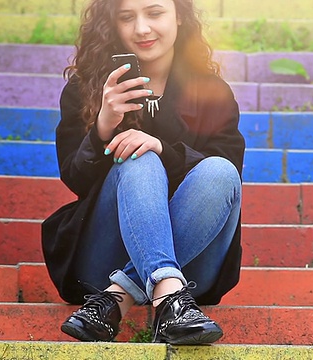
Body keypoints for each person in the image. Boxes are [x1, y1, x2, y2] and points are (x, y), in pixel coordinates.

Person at [41, 0, 245, 345]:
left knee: (220, 171)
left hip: (194, 265)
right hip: (102, 257)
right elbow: (75, 179)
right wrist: (103, 127)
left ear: (179, 16)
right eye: (126, 17)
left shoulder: (213, 93)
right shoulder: (86, 90)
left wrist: (163, 147)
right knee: (136, 156)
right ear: (112, 25)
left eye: (154, 13)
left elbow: (225, 184)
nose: (141, 29)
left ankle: (119, 297)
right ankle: (169, 296)